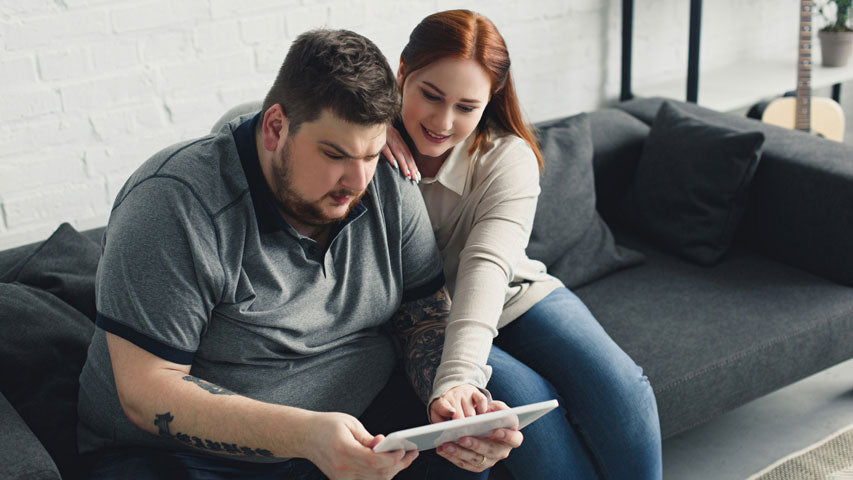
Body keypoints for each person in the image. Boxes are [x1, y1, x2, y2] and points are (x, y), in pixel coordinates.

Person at [76, 28, 522, 480]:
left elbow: (424, 312)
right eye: (335, 153)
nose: (357, 181)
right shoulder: (173, 203)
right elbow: (148, 391)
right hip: (186, 456)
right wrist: (305, 436)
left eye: (370, 153)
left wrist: (444, 398)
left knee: (463, 461)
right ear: (274, 127)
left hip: (358, 425)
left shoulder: (387, 178)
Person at [381, 10, 663, 479]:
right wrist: (368, 126)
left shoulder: (507, 157)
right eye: (430, 95)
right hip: (433, 316)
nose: (442, 121)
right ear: (402, 73)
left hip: (511, 291)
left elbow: (487, 268)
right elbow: (254, 117)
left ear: (489, 101)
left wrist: (456, 376)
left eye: (466, 107)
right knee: (527, 413)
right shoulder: (360, 144)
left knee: (622, 389)